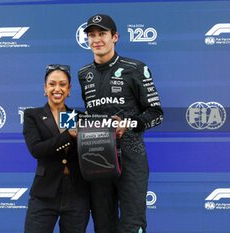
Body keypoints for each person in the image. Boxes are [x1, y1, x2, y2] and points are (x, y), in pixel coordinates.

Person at [78, 14, 164, 233]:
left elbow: (156, 113)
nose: (96, 39)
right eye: (91, 35)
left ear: (114, 37)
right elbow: (90, 113)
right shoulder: (83, 74)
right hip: (97, 156)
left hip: (131, 156)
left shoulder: (135, 68)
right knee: (103, 226)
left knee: (132, 225)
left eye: (102, 34)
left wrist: (129, 123)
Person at [23, 64, 90, 233]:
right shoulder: (33, 115)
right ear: (45, 88)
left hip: (77, 194)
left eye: (62, 84)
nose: (57, 89)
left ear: (69, 89)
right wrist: (68, 135)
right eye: (52, 84)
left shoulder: (80, 117)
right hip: (44, 193)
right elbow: (36, 150)